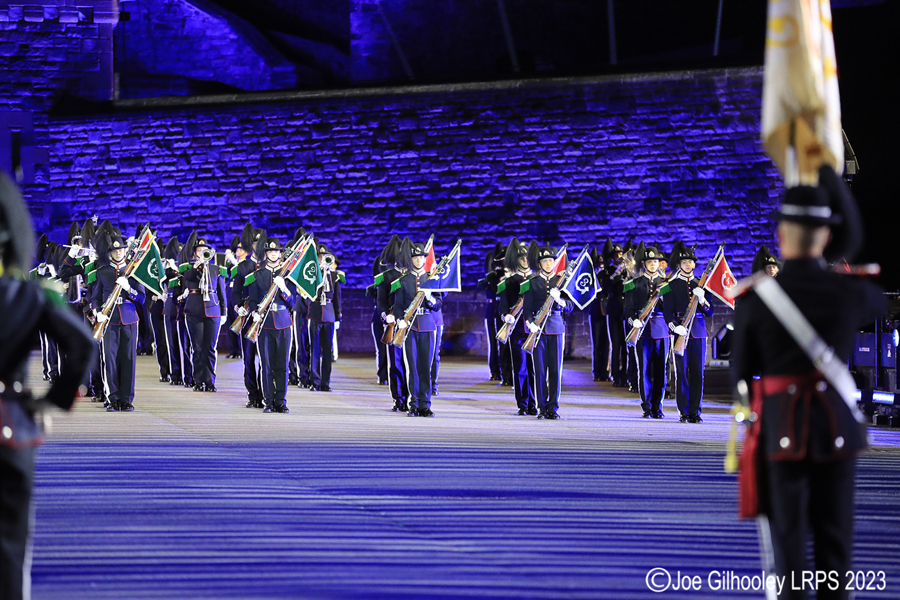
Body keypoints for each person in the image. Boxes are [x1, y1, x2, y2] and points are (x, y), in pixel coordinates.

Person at [732, 166, 885, 599]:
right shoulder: (848, 292)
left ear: (781, 234)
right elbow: (866, 278)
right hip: (837, 429)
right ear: (826, 236)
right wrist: (833, 183)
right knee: (835, 548)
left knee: (789, 551)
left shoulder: (756, 298)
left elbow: (742, 373)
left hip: (781, 429)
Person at [0, 173, 95, 600]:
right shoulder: (27, 295)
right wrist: (48, 401)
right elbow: (81, 345)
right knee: (10, 546)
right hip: (10, 424)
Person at [661, 242, 713, 423]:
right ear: (680, 265)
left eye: (690, 262)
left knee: (698, 373)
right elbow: (667, 311)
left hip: (698, 332)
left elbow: (709, 311)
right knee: (681, 373)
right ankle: (684, 411)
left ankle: (695, 412)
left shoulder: (702, 284)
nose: (688, 265)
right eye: (684, 262)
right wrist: (674, 326)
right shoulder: (671, 285)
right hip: (680, 331)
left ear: (694, 264)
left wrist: (703, 298)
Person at [522, 242, 573, 419]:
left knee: (556, 371)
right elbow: (527, 308)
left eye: (551, 261)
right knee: (540, 370)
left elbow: (571, 306)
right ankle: (542, 408)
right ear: (540, 264)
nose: (548, 264)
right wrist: (530, 323)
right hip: (539, 329)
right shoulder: (532, 283)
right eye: (545, 261)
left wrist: (560, 300)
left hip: (556, 326)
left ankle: (553, 408)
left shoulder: (561, 281)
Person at [393, 238, 441, 417]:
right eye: (416, 258)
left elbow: (438, 304)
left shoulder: (432, 279)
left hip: (428, 325)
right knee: (412, 367)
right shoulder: (403, 281)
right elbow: (398, 305)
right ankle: (413, 404)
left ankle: (425, 404)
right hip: (410, 327)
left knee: (425, 367)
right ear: (411, 260)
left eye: (421, 258)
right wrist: (400, 319)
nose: (419, 261)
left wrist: (430, 299)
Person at [248, 235, 296, 413]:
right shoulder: (258, 275)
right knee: (266, 364)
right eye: (270, 251)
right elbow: (253, 299)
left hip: (283, 322)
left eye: (276, 251)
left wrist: (283, 288)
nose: (273, 254)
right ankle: (268, 401)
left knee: (282, 365)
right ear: (266, 253)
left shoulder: (287, 276)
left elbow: (294, 302)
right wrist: (255, 313)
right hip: (265, 323)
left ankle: (281, 401)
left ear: (280, 253)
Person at [624, 244, 669, 418]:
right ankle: (647, 406)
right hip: (642, 330)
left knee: (660, 370)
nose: (653, 264)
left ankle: (658, 407)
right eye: (650, 261)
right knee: (643, 370)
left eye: (655, 262)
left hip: (661, 330)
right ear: (644, 264)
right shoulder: (633, 284)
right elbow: (628, 309)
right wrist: (633, 321)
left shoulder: (666, 284)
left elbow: (671, 309)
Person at [179, 232, 227, 392]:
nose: (202, 253)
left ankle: (211, 380)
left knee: (210, 348)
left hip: (213, 310)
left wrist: (224, 310)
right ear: (194, 253)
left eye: (204, 250)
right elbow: (189, 278)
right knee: (197, 348)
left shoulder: (215, 269)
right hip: (194, 311)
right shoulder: (188, 268)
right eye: (199, 250)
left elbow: (221, 291)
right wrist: (197, 266)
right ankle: (198, 381)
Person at [498, 238, 536, 415]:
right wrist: (506, 316)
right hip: (518, 329)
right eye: (522, 258)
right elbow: (503, 304)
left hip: (535, 329)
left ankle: (535, 403)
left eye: (527, 258)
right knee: (520, 368)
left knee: (535, 368)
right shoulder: (510, 281)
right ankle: (522, 403)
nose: (525, 261)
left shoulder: (537, 279)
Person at [231, 223, 264, 407]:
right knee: (249, 359)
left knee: (265, 358)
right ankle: (253, 394)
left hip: (265, 317)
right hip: (248, 316)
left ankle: (265, 392)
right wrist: (238, 307)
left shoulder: (270, 267)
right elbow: (235, 293)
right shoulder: (243, 267)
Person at [377, 236, 409, 411]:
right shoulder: (387, 277)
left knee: (411, 362)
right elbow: (381, 300)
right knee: (395, 363)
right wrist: (385, 315)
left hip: (410, 322)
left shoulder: (413, 275)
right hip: (393, 322)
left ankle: (412, 397)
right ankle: (399, 398)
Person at [308, 243, 341, 392]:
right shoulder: (312, 273)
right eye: (320, 257)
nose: (322, 259)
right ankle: (314, 381)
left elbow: (337, 298)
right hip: (315, 311)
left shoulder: (334, 276)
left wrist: (338, 316)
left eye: (324, 257)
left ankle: (325, 382)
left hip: (328, 314)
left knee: (328, 350)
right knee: (314, 349)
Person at [477, 242, 506, 382]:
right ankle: (495, 371)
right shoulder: (492, 277)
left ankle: (506, 370)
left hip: (505, 312)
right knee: (494, 344)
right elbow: (486, 286)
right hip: (493, 311)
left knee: (505, 344)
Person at [161, 237, 187, 387]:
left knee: (184, 343)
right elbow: (162, 282)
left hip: (183, 307)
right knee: (171, 342)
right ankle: (175, 373)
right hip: (171, 306)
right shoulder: (166, 271)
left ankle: (185, 374)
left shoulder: (184, 269)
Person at [588, 247, 609, 382]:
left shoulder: (607, 275)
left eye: (602, 265)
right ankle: (596, 371)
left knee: (605, 343)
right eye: (598, 265)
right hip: (595, 309)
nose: (600, 267)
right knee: (596, 343)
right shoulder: (591, 277)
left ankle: (604, 372)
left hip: (606, 309)